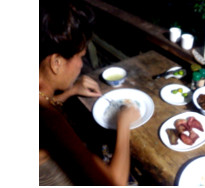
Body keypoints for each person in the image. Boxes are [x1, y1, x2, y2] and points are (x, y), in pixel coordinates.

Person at [38, 0, 140, 185]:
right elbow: (115, 183)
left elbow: (45, 100)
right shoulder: (50, 119)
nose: (80, 66)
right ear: (56, 62)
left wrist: (71, 91)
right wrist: (124, 122)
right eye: (80, 57)